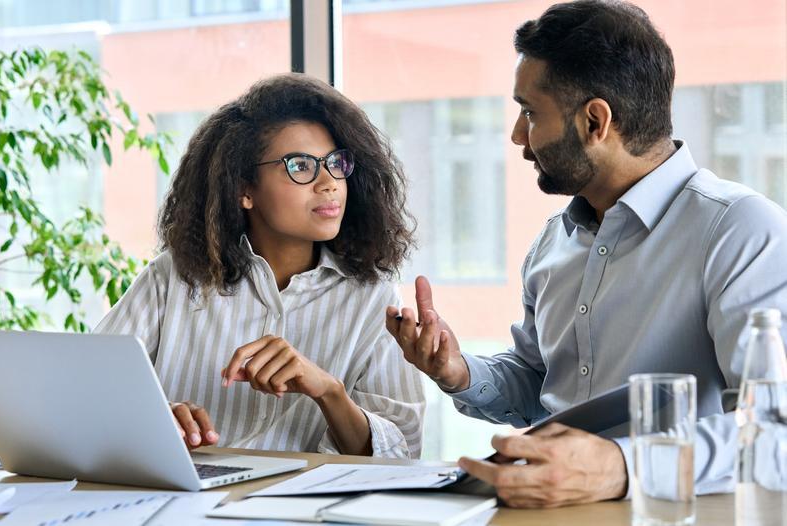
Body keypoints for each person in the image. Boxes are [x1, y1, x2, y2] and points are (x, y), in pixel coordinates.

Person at [386, 0, 787, 507]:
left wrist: (621, 466)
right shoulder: (555, 240)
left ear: (596, 121)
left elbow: (776, 429)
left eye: (530, 113)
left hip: (664, 512)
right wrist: (458, 372)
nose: (517, 136)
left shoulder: (740, 231)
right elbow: (538, 384)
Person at [96, 73, 425, 459]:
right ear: (243, 190)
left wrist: (328, 391)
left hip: (301, 514)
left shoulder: (373, 296)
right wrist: (151, 419)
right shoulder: (172, 278)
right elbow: (84, 392)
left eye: (336, 163)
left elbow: (402, 454)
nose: (329, 182)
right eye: (300, 165)